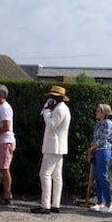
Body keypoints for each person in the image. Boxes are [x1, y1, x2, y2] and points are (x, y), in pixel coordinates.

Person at [31, 86, 71, 214]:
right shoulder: (62, 108)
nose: (50, 98)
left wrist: (47, 111)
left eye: (52, 96)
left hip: (54, 147)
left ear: (58, 98)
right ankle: (55, 204)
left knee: (45, 174)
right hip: (57, 147)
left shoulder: (60, 109)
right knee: (56, 176)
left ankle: (46, 205)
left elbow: (52, 124)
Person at [87, 104, 112, 213]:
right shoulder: (99, 124)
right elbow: (95, 139)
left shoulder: (108, 124)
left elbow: (104, 139)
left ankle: (108, 203)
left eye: (98, 111)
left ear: (104, 113)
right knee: (98, 177)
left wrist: (92, 149)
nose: (96, 112)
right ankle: (100, 202)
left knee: (103, 177)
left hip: (103, 150)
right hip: (97, 151)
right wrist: (91, 151)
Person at [0, 84, 15, 204]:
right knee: (3, 168)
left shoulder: (4, 108)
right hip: (4, 141)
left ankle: (6, 196)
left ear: (0, 95)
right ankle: (7, 194)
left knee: (4, 169)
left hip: (4, 141)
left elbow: (6, 126)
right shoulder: (0, 107)